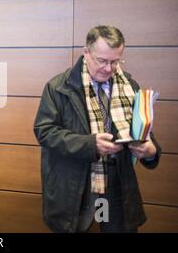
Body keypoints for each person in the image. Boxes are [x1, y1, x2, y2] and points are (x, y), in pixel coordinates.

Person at [33, 25, 161, 233]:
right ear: (86, 53)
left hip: (118, 185)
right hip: (76, 186)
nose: (109, 68)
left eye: (115, 61)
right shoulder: (58, 87)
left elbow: (144, 130)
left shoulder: (130, 86)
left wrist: (151, 151)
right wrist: (90, 144)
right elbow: (44, 132)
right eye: (102, 60)